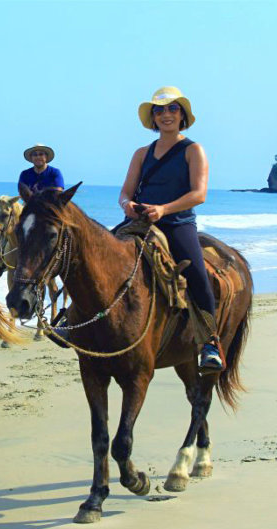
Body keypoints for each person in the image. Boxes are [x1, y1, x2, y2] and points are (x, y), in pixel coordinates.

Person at [116, 86, 223, 371]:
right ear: (152, 118)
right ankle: (73, 319)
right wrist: (128, 205)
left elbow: (199, 194)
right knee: (97, 253)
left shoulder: (193, 150)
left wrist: (164, 209)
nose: (166, 114)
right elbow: (125, 192)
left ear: (182, 114)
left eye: (172, 108)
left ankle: (210, 343)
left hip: (177, 222)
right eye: (159, 110)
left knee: (198, 275)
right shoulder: (142, 153)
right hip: (139, 221)